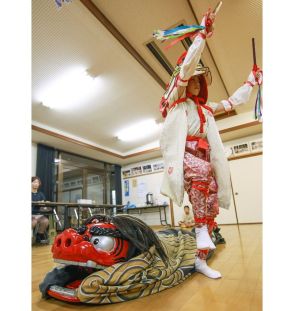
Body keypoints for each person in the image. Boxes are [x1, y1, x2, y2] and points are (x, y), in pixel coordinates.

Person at [159, 9, 262, 279]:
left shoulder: (206, 110)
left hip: (204, 159)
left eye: (198, 80)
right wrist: (201, 36)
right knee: (203, 175)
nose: (194, 81)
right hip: (186, 158)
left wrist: (251, 82)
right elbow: (185, 69)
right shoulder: (176, 104)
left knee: (212, 196)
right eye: (192, 79)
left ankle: (200, 258)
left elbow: (232, 102)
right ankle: (200, 229)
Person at [32, 176, 49, 243]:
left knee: (45, 221)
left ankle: (39, 235)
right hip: (30, 214)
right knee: (33, 222)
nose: (36, 184)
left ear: (39, 184)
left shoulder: (41, 194)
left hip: (38, 215)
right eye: (34, 182)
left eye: (37, 182)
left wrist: (44, 203)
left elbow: (43, 206)